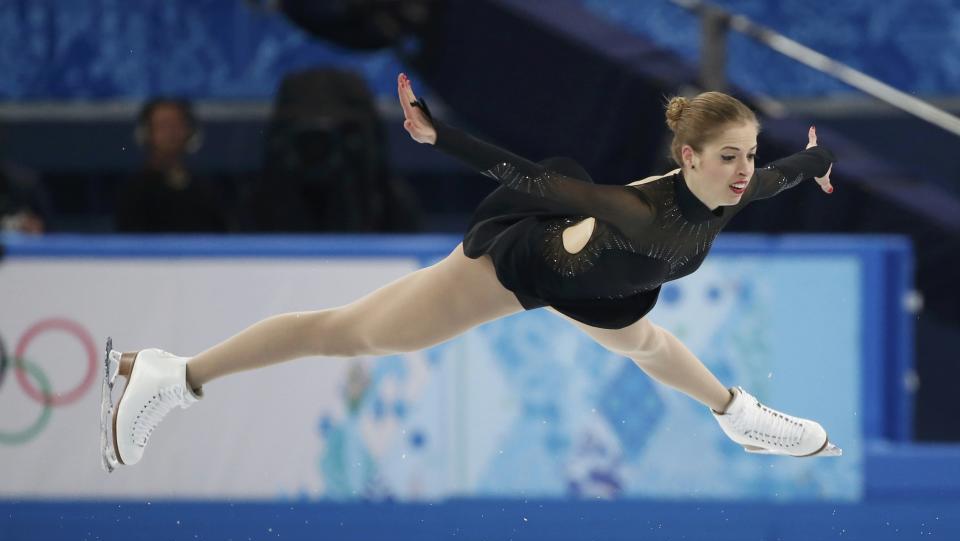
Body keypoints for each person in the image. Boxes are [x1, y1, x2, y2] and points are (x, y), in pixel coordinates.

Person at [99, 73, 839, 473]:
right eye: (729, 157)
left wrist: (816, 162)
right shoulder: (637, 211)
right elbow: (538, 182)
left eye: (749, 154)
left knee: (645, 345)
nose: (744, 170)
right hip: (522, 266)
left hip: (607, 287)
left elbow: (784, 174)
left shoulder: (737, 189)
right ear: (688, 158)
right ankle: (174, 375)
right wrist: (438, 136)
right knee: (351, 335)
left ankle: (737, 416)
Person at [115, 98, 227, 233]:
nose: (171, 133)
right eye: (163, 126)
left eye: (176, 125)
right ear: (146, 133)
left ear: (190, 131)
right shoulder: (133, 190)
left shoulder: (207, 186)